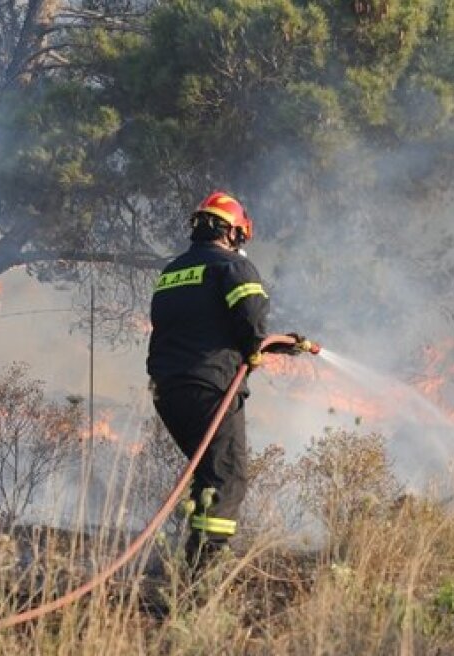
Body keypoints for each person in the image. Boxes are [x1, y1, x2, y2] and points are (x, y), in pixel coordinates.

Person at [146, 190, 297, 571]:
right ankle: (204, 571)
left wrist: (264, 347)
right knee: (228, 477)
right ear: (232, 232)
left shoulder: (172, 273)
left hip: (168, 390)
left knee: (209, 475)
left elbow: (199, 323)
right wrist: (256, 348)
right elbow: (252, 316)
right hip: (210, 386)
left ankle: (187, 558)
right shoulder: (233, 267)